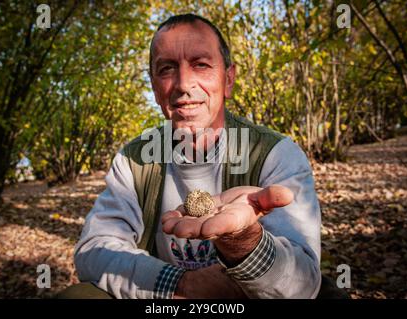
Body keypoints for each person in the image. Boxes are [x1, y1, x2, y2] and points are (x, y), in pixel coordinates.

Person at [60, 13, 347, 299]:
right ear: (154, 87)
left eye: (201, 65)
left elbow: (303, 285)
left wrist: (244, 242)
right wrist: (181, 283)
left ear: (228, 79)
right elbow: (94, 249)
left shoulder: (274, 154)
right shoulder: (133, 161)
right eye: (167, 69)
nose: (184, 84)